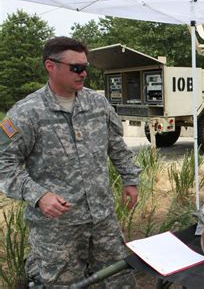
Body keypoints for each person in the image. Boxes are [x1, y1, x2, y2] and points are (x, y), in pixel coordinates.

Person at [0, 36, 141, 288]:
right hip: (56, 228)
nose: (84, 73)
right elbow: (4, 164)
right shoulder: (26, 113)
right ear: (50, 66)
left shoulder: (97, 103)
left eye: (85, 67)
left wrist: (130, 178)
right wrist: (39, 195)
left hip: (102, 219)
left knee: (119, 278)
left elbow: (116, 145)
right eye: (76, 68)